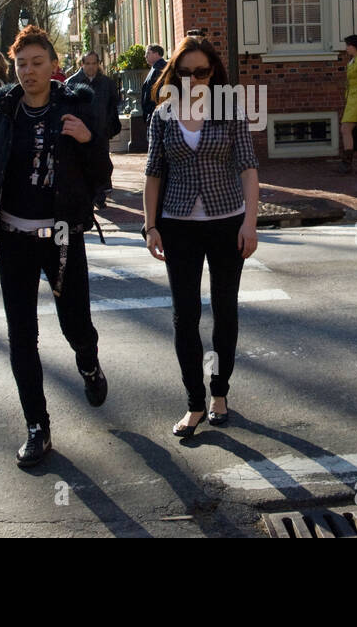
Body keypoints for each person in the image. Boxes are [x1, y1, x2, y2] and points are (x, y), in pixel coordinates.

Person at [0, 26, 112, 467]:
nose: (28, 72)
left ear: (54, 66)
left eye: (37, 63)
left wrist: (88, 141)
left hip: (64, 235)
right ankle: (37, 427)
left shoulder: (77, 108)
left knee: (75, 324)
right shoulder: (3, 114)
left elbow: (101, 174)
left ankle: (88, 362)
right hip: (14, 238)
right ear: (13, 69)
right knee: (21, 337)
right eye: (21, 65)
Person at [143, 36, 260, 438]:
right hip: (178, 224)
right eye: (186, 71)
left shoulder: (230, 111)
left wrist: (250, 222)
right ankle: (194, 403)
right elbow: (153, 173)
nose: (194, 79)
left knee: (225, 310)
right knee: (185, 316)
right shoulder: (162, 116)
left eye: (203, 72)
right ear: (175, 73)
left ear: (214, 74)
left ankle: (220, 394)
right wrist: (151, 225)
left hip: (227, 221)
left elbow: (247, 167)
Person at [66, 51, 121, 209]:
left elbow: (113, 106)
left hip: (101, 131)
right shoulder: (72, 83)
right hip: (81, 132)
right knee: (83, 163)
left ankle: (99, 194)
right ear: (81, 64)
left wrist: (109, 126)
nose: (91, 67)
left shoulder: (107, 83)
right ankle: (88, 194)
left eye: (94, 63)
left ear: (98, 64)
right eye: (87, 63)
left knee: (102, 162)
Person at [338, 34, 357, 174]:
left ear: (354, 46)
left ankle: (347, 164)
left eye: (348, 45)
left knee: (345, 129)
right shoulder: (354, 60)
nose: (346, 48)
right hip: (352, 100)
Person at [140, 44, 166, 125]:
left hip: (156, 115)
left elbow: (158, 93)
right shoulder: (155, 68)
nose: (145, 56)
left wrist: (151, 112)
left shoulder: (160, 68)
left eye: (148, 53)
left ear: (156, 53)